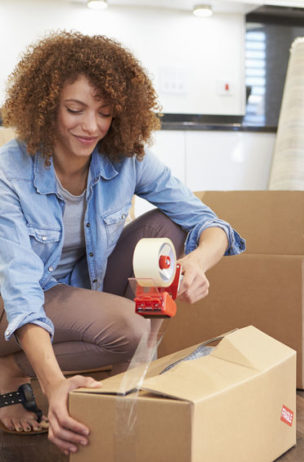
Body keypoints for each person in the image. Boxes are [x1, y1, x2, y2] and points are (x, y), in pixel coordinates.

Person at [0, 31, 245, 456]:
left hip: (79, 290)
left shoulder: (125, 157)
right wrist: (53, 384)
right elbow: (21, 288)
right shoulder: (9, 174)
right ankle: (12, 371)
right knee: (133, 328)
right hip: (11, 303)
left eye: (105, 113)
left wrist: (199, 261)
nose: (91, 126)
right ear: (45, 106)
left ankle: (128, 380)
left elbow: (210, 223)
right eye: (75, 109)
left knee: (169, 225)